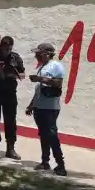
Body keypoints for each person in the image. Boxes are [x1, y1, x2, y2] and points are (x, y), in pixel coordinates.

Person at [26, 42, 67, 176]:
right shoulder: (42, 66)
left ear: (47, 54)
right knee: (43, 134)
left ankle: (60, 165)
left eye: (38, 53)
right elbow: (39, 89)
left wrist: (40, 78)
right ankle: (45, 161)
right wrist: (32, 104)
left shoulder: (56, 66)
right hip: (40, 106)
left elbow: (58, 83)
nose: (36, 55)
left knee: (51, 135)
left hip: (50, 108)